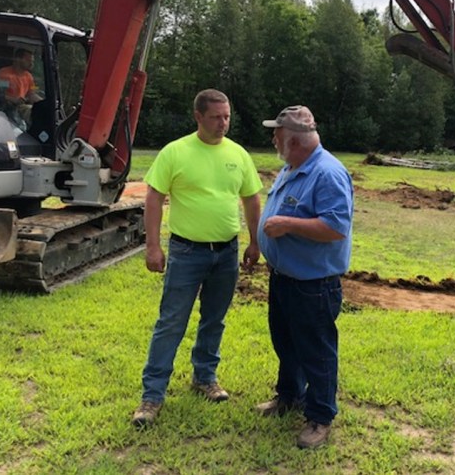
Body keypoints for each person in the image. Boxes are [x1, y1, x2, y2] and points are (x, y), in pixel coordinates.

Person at [132, 89, 263, 428]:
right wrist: (153, 246)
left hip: (226, 252)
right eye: (216, 117)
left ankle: (205, 377)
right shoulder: (176, 152)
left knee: (214, 320)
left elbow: (250, 200)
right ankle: (152, 396)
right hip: (186, 252)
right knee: (171, 322)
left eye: (227, 116)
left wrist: (254, 241)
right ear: (198, 117)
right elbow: (154, 198)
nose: (223, 123)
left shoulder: (238, 155)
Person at [255, 105, 354, 449]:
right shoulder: (292, 167)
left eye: (277, 135)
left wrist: (287, 225)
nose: (273, 140)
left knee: (316, 351)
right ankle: (288, 397)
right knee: (287, 345)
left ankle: (320, 417)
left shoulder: (327, 173)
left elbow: (336, 227)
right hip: (284, 277)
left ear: (293, 140)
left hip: (313, 285)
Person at [0, 48, 43, 129]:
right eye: (28, 60)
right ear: (17, 59)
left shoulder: (29, 76)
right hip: (7, 109)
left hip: (22, 107)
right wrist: (13, 99)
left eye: (32, 61)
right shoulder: (5, 75)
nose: (31, 63)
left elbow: (32, 94)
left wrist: (44, 103)